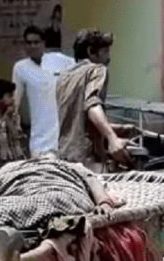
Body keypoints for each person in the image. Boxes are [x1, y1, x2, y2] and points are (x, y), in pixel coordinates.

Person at [55, 29, 133, 173]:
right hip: (89, 161)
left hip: (65, 159)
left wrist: (114, 129)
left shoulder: (63, 77)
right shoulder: (97, 70)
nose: (109, 57)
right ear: (91, 51)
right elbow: (92, 105)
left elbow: (76, 121)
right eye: (106, 51)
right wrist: (112, 138)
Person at [12, 26, 75, 158]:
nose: (32, 46)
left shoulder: (60, 60)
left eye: (36, 42)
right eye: (29, 43)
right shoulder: (20, 68)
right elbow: (15, 101)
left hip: (64, 136)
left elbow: (81, 72)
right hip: (39, 138)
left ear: (43, 43)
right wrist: (15, 124)